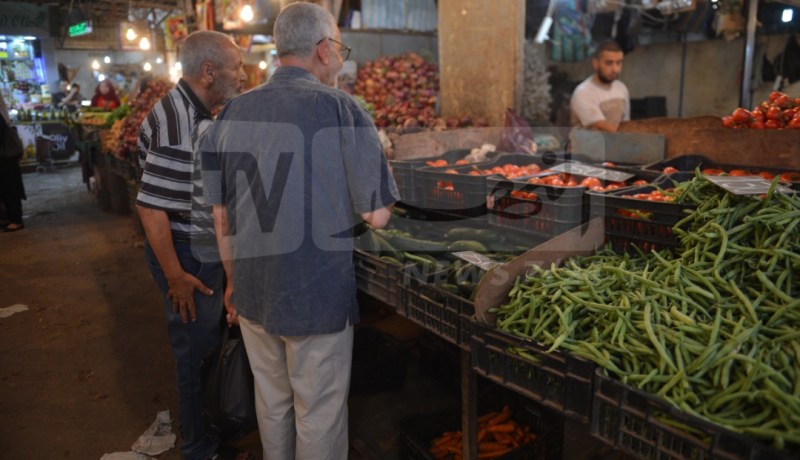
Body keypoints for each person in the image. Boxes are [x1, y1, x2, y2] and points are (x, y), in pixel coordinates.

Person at [200, 3, 398, 458]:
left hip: (252, 289)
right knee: (319, 411)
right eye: (340, 49)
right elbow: (377, 215)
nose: (340, 58)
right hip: (315, 295)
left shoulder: (230, 115)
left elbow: (221, 214)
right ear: (324, 49)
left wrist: (231, 282)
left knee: (272, 403)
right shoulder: (341, 108)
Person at [134, 30, 249, 460]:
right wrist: (176, 276)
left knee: (206, 347)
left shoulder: (194, 111)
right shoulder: (177, 122)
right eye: (237, 67)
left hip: (194, 245)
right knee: (195, 353)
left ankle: (210, 436)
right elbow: (151, 208)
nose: (243, 76)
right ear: (209, 71)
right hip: (183, 254)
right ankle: (199, 449)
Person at [570, 40, 630, 132]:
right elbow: (606, 128)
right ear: (596, 63)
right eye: (609, 63)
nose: (615, 69)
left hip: (618, 140)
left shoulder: (622, 88)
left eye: (618, 63)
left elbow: (626, 124)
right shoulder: (583, 92)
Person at [0, 91, 26, 232]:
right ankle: (9, 218)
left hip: (6, 157)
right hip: (6, 156)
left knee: (9, 188)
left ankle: (15, 220)